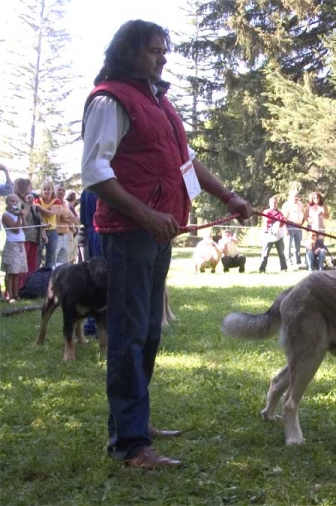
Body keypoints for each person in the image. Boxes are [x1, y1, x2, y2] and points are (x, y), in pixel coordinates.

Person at [81, 19, 253, 469]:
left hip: (159, 232)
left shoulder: (160, 102)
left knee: (150, 332)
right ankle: (132, 446)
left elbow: (186, 163)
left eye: (164, 50)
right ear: (128, 53)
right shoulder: (110, 99)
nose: (162, 57)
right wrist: (147, 214)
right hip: (130, 233)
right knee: (129, 335)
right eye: (153, 50)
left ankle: (134, 424)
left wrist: (228, 196)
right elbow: (96, 174)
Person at [13, 178, 46, 284]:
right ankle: (19, 287)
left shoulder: (33, 203)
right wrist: (27, 204)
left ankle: (29, 285)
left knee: (32, 265)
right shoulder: (16, 201)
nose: (31, 190)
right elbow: (18, 216)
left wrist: (43, 233)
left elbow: (37, 219)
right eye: (29, 187)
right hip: (23, 239)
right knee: (22, 265)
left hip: (34, 238)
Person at [2, 194, 28, 303]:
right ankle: (9, 295)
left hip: (20, 245)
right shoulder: (6, 215)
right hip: (12, 245)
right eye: (11, 201)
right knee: (11, 272)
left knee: (17, 272)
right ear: (7, 203)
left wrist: (22, 215)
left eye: (16, 201)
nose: (14, 203)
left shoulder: (18, 215)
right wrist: (18, 216)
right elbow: (16, 229)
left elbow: (25, 228)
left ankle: (16, 294)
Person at [33, 181, 61, 269]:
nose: (46, 191)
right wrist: (44, 210)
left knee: (51, 256)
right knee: (37, 255)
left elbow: (51, 213)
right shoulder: (37, 200)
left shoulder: (56, 200)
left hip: (52, 230)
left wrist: (40, 208)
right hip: (40, 230)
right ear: (41, 191)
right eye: (44, 189)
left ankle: (49, 276)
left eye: (48, 189)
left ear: (52, 190)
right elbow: (38, 216)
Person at [258, 196, 287, 273]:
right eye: (272, 202)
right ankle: (262, 268)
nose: (274, 204)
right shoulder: (266, 212)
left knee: (281, 252)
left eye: (275, 202)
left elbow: (282, 222)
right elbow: (268, 221)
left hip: (279, 235)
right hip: (268, 235)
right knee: (265, 253)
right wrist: (276, 222)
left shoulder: (280, 213)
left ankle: (283, 268)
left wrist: (278, 223)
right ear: (269, 203)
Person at [54, 184, 79, 265]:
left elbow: (75, 220)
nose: (61, 192)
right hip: (55, 235)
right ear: (54, 190)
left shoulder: (65, 204)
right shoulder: (53, 202)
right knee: (53, 260)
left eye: (63, 190)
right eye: (59, 190)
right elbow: (61, 216)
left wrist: (67, 218)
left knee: (64, 262)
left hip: (66, 236)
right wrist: (68, 218)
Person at [281, 189, 304, 267]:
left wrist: (301, 223)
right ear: (291, 196)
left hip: (298, 226)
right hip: (289, 225)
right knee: (288, 245)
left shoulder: (300, 204)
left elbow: (302, 214)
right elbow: (283, 218)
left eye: (297, 196)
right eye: (295, 196)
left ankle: (298, 261)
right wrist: (285, 229)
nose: (296, 197)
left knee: (297, 245)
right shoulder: (286, 205)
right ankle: (288, 261)